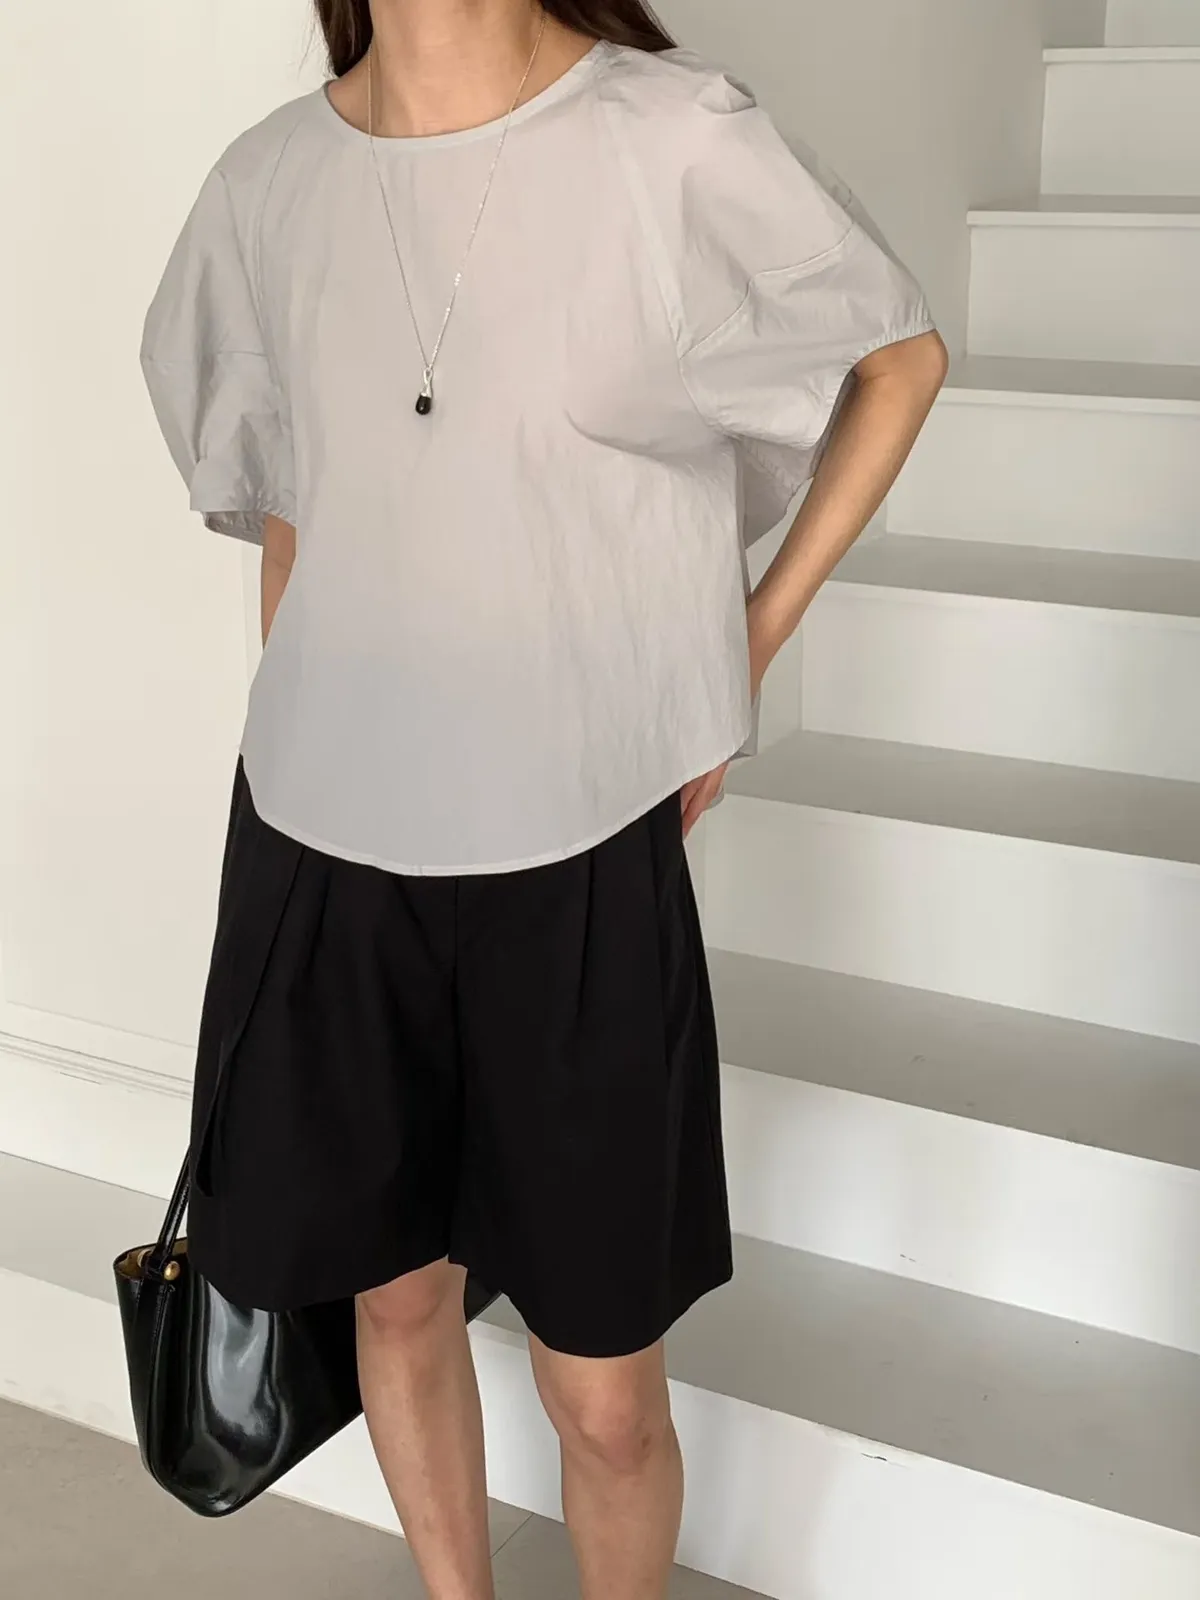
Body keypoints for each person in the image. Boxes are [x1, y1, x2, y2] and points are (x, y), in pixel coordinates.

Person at [138, 1, 947, 1595]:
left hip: (576, 852)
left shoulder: (671, 136)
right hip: (320, 848)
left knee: (607, 1400)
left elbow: (896, 359)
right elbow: (296, 509)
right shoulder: (267, 183)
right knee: (392, 1301)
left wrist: (741, 643)